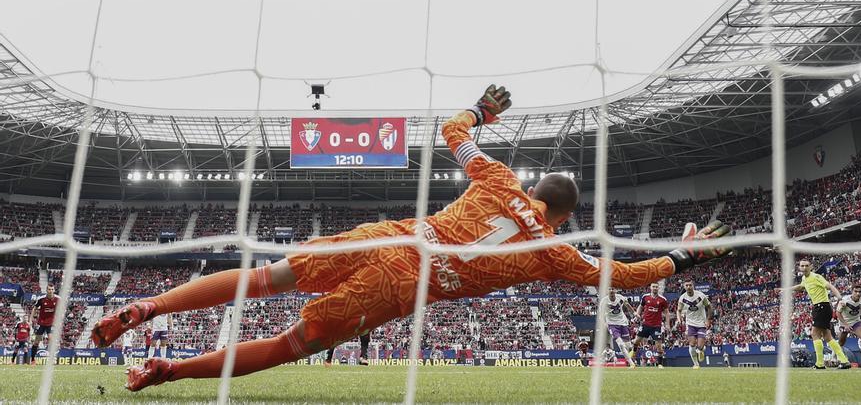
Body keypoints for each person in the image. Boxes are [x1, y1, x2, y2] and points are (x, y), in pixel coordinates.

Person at [93, 86, 733, 391]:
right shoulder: (555, 254)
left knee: (266, 278)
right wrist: (679, 255)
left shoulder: (498, 175)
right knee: (294, 342)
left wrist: (484, 111)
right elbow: (620, 277)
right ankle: (167, 372)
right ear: (562, 215)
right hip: (402, 284)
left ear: (535, 189)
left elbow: (453, 131)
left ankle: (149, 307)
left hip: (388, 236)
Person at [787, 260, 850, 370]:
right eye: (802, 266)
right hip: (821, 307)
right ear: (799, 267)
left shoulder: (816, 277)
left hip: (822, 306)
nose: (805, 267)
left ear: (811, 267)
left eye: (807, 265)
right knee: (827, 336)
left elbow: (830, 286)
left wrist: (840, 298)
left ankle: (820, 364)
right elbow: (801, 287)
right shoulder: (804, 279)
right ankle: (844, 360)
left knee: (814, 333)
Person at [676, 280, 712, 369]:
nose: (688, 287)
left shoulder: (701, 295)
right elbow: (679, 310)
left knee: (700, 347)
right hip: (690, 324)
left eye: (690, 285)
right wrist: (679, 318)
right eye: (686, 285)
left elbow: (709, 307)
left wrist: (708, 320)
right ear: (684, 287)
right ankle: (696, 364)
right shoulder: (682, 298)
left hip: (701, 324)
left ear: (693, 286)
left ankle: (701, 350)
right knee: (692, 345)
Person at [632, 282, 670, 368]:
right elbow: (641, 306)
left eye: (656, 287)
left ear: (658, 288)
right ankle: (633, 359)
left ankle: (660, 364)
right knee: (636, 342)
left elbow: (667, 312)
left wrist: (668, 324)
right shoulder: (645, 297)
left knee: (659, 346)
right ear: (650, 287)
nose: (655, 288)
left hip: (656, 326)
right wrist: (638, 314)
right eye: (653, 287)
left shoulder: (663, 299)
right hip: (645, 324)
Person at [836, 283, 861, 368]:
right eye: (855, 291)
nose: (858, 293)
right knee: (841, 342)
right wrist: (845, 324)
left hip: (856, 321)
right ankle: (838, 358)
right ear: (852, 291)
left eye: (860, 292)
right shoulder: (844, 300)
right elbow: (838, 313)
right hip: (844, 322)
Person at [600, 290, 638, 367]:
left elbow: (627, 305)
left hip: (623, 323)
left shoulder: (620, 297)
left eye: (612, 289)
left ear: (615, 290)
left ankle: (632, 359)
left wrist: (634, 313)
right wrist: (604, 323)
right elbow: (601, 314)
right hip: (612, 324)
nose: (611, 291)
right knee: (621, 344)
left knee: (629, 346)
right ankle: (631, 363)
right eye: (609, 289)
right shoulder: (604, 301)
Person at [29, 285, 58, 361]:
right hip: (41, 324)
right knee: (36, 342)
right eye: (49, 289)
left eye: (52, 289)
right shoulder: (41, 299)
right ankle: (32, 360)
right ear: (46, 290)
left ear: (54, 290)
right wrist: (30, 319)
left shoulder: (58, 299)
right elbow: (34, 308)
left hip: (51, 324)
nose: (50, 291)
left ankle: (52, 358)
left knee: (51, 339)